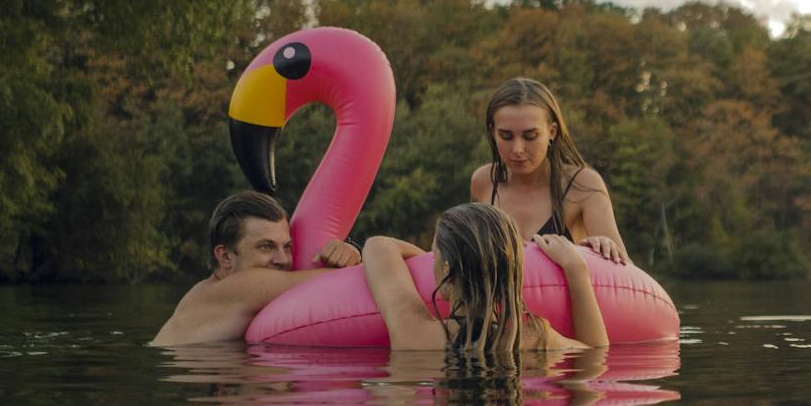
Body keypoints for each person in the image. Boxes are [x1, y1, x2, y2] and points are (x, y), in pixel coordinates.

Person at [363, 203, 608, 357]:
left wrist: (441, 264)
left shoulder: (414, 334)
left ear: (447, 268)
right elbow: (597, 353)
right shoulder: (539, 339)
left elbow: (378, 245)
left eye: (433, 254)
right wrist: (576, 269)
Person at [150, 191, 361, 346]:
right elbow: (347, 282)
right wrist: (353, 254)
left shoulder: (220, 293)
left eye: (287, 247)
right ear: (225, 257)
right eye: (266, 247)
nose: (282, 259)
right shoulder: (237, 287)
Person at [470, 78, 629, 264]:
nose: (518, 149)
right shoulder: (484, 182)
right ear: (492, 132)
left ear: (552, 132)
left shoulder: (582, 184)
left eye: (530, 136)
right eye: (506, 136)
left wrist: (603, 247)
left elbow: (628, 275)